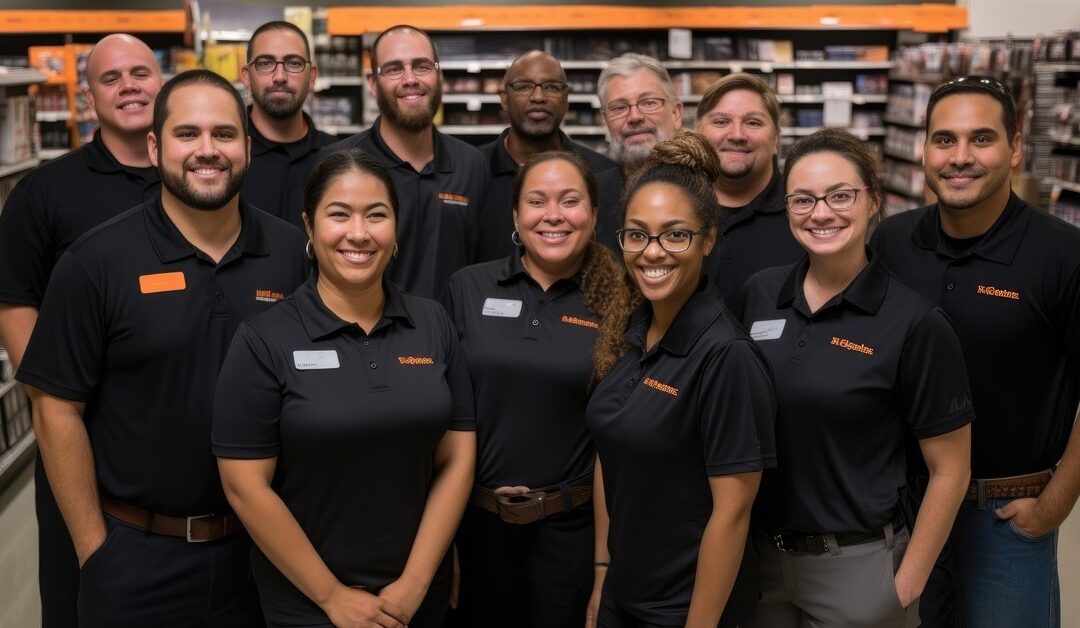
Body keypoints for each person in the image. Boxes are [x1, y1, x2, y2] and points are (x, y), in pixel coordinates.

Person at [15, 69, 308, 626]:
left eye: (224, 134)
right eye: (187, 134)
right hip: (138, 557)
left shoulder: (294, 254)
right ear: (155, 147)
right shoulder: (95, 261)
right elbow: (55, 410)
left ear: (249, 146)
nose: (207, 151)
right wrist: (94, 552)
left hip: (270, 551)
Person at [213, 149, 475, 628]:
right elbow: (244, 485)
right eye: (339, 215)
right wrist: (332, 596)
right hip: (308, 604)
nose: (359, 233)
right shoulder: (265, 338)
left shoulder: (433, 322)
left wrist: (416, 582)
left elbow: (457, 458)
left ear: (396, 227)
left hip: (416, 598)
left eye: (377, 215)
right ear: (310, 228)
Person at [733, 128, 972, 627]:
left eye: (840, 195)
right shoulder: (759, 295)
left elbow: (950, 469)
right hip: (760, 564)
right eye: (803, 199)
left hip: (859, 569)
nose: (821, 213)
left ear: (874, 201)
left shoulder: (913, 323)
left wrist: (904, 586)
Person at [871, 76, 1080, 628]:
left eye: (981, 139)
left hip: (1005, 521)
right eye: (944, 140)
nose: (959, 157)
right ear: (924, 150)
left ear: (1015, 149)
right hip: (903, 512)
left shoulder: (1062, 255)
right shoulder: (890, 242)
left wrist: (1052, 506)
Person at [0, 32, 162, 628]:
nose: (129, 88)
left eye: (140, 74)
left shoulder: (195, 177)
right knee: (82, 598)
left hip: (173, 435)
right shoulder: (45, 191)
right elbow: (15, 303)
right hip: (81, 436)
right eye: (111, 79)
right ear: (89, 98)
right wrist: (55, 402)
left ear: (162, 82)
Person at [585, 131, 776, 628]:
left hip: (684, 610)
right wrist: (604, 569)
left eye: (676, 234)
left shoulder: (725, 356)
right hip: (623, 594)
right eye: (637, 233)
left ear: (708, 239)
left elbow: (732, 513)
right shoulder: (630, 332)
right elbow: (611, 454)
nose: (653, 252)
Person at [444, 151, 636, 628]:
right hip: (474, 529)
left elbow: (614, 450)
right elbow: (441, 416)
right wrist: (441, 545)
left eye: (570, 201)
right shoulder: (468, 288)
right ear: (515, 215)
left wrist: (601, 568)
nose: (553, 215)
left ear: (594, 214)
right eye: (537, 201)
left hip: (571, 535)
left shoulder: (622, 302)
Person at [315, 24, 489, 298]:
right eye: (394, 69)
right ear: (373, 83)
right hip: (365, 336)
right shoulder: (338, 163)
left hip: (452, 338)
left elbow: (483, 270)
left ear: (438, 76)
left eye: (421, 66)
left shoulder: (472, 165)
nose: (410, 79)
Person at [476, 50, 618, 262]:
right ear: (504, 99)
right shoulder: (472, 170)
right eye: (524, 86)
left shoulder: (603, 174)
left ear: (566, 98)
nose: (538, 97)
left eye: (552, 87)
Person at [695, 73, 803, 305]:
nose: (736, 135)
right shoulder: (673, 206)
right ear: (698, 133)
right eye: (721, 122)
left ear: (776, 139)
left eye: (753, 122)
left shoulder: (807, 214)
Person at [240, 20, 336, 228]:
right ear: (246, 77)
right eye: (265, 63)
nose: (280, 77)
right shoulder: (225, 156)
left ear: (312, 76)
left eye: (293, 63)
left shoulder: (337, 157)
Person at [594, 53, 684, 250]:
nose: (635, 117)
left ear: (676, 113)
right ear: (605, 121)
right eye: (619, 108)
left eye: (648, 102)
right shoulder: (590, 196)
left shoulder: (711, 188)